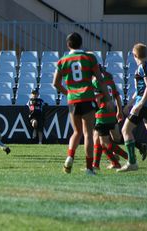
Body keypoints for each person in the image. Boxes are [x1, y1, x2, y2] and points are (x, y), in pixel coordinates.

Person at [53, 32, 112, 175]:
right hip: (87, 98)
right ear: (81, 44)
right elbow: (100, 79)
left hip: (73, 100)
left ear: (68, 45)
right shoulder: (90, 57)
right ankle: (89, 168)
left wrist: (69, 93)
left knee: (76, 132)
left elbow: (55, 83)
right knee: (88, 134)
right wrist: (108, 98)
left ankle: (69, 157)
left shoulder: (62, 61)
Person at [118, 43, 147, 172]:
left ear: (135, 55)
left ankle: (132, 163)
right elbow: (140, 88)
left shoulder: (142, 67)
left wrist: (139, 104)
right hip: (143, 103)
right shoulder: (143, 67)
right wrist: (130, 104)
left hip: (143, 105)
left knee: (125, 130)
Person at [92, 64, 128, 170]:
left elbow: (98, 99)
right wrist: (119, 111)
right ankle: (97, 165)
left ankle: (129, 157)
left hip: (102, 115)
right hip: (111, 114)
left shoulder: (96, 82)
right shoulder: (110, 81)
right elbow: (117, 97)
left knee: (104, 142)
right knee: (97, 140)